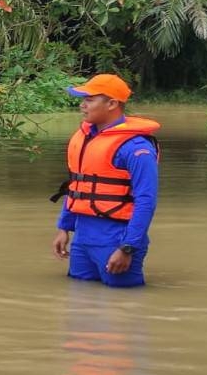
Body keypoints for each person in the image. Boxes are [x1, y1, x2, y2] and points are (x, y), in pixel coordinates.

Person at [51, 73, 160, 287]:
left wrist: (127, 248)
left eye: (89, 100)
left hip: (116, 238)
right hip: (83, 237)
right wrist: (64, 227)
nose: (82, 105)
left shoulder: (137, 148)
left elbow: (146, 201)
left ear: (112, 103)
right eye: (83, 100)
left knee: (122, 305)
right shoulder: (85, 138)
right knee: (79, 303)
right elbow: (77, 185)